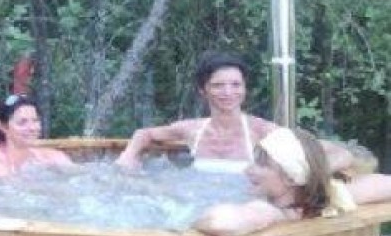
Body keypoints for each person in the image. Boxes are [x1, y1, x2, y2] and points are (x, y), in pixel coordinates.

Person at [114, 51, 352, 173]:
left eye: (236, 85)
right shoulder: (192, 130)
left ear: (244, 88)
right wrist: (129, 156)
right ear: (203, 91)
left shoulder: (262, 131)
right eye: (218, 85)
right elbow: (144, 134)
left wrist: (306, 177)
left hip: (243, 209)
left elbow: (340, 154)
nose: (228, 92)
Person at [195, 127, 391, 236]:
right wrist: (317, 172)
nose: (248, 169)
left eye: (262, 164)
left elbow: (220, 223)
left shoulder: (274, 211)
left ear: (291, 178)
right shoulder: (331, 196)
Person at [0, 94, 73, 177]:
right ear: (2, 126)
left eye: (35, 120)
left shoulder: (53, 157)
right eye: (22, 122)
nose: (32, 128)